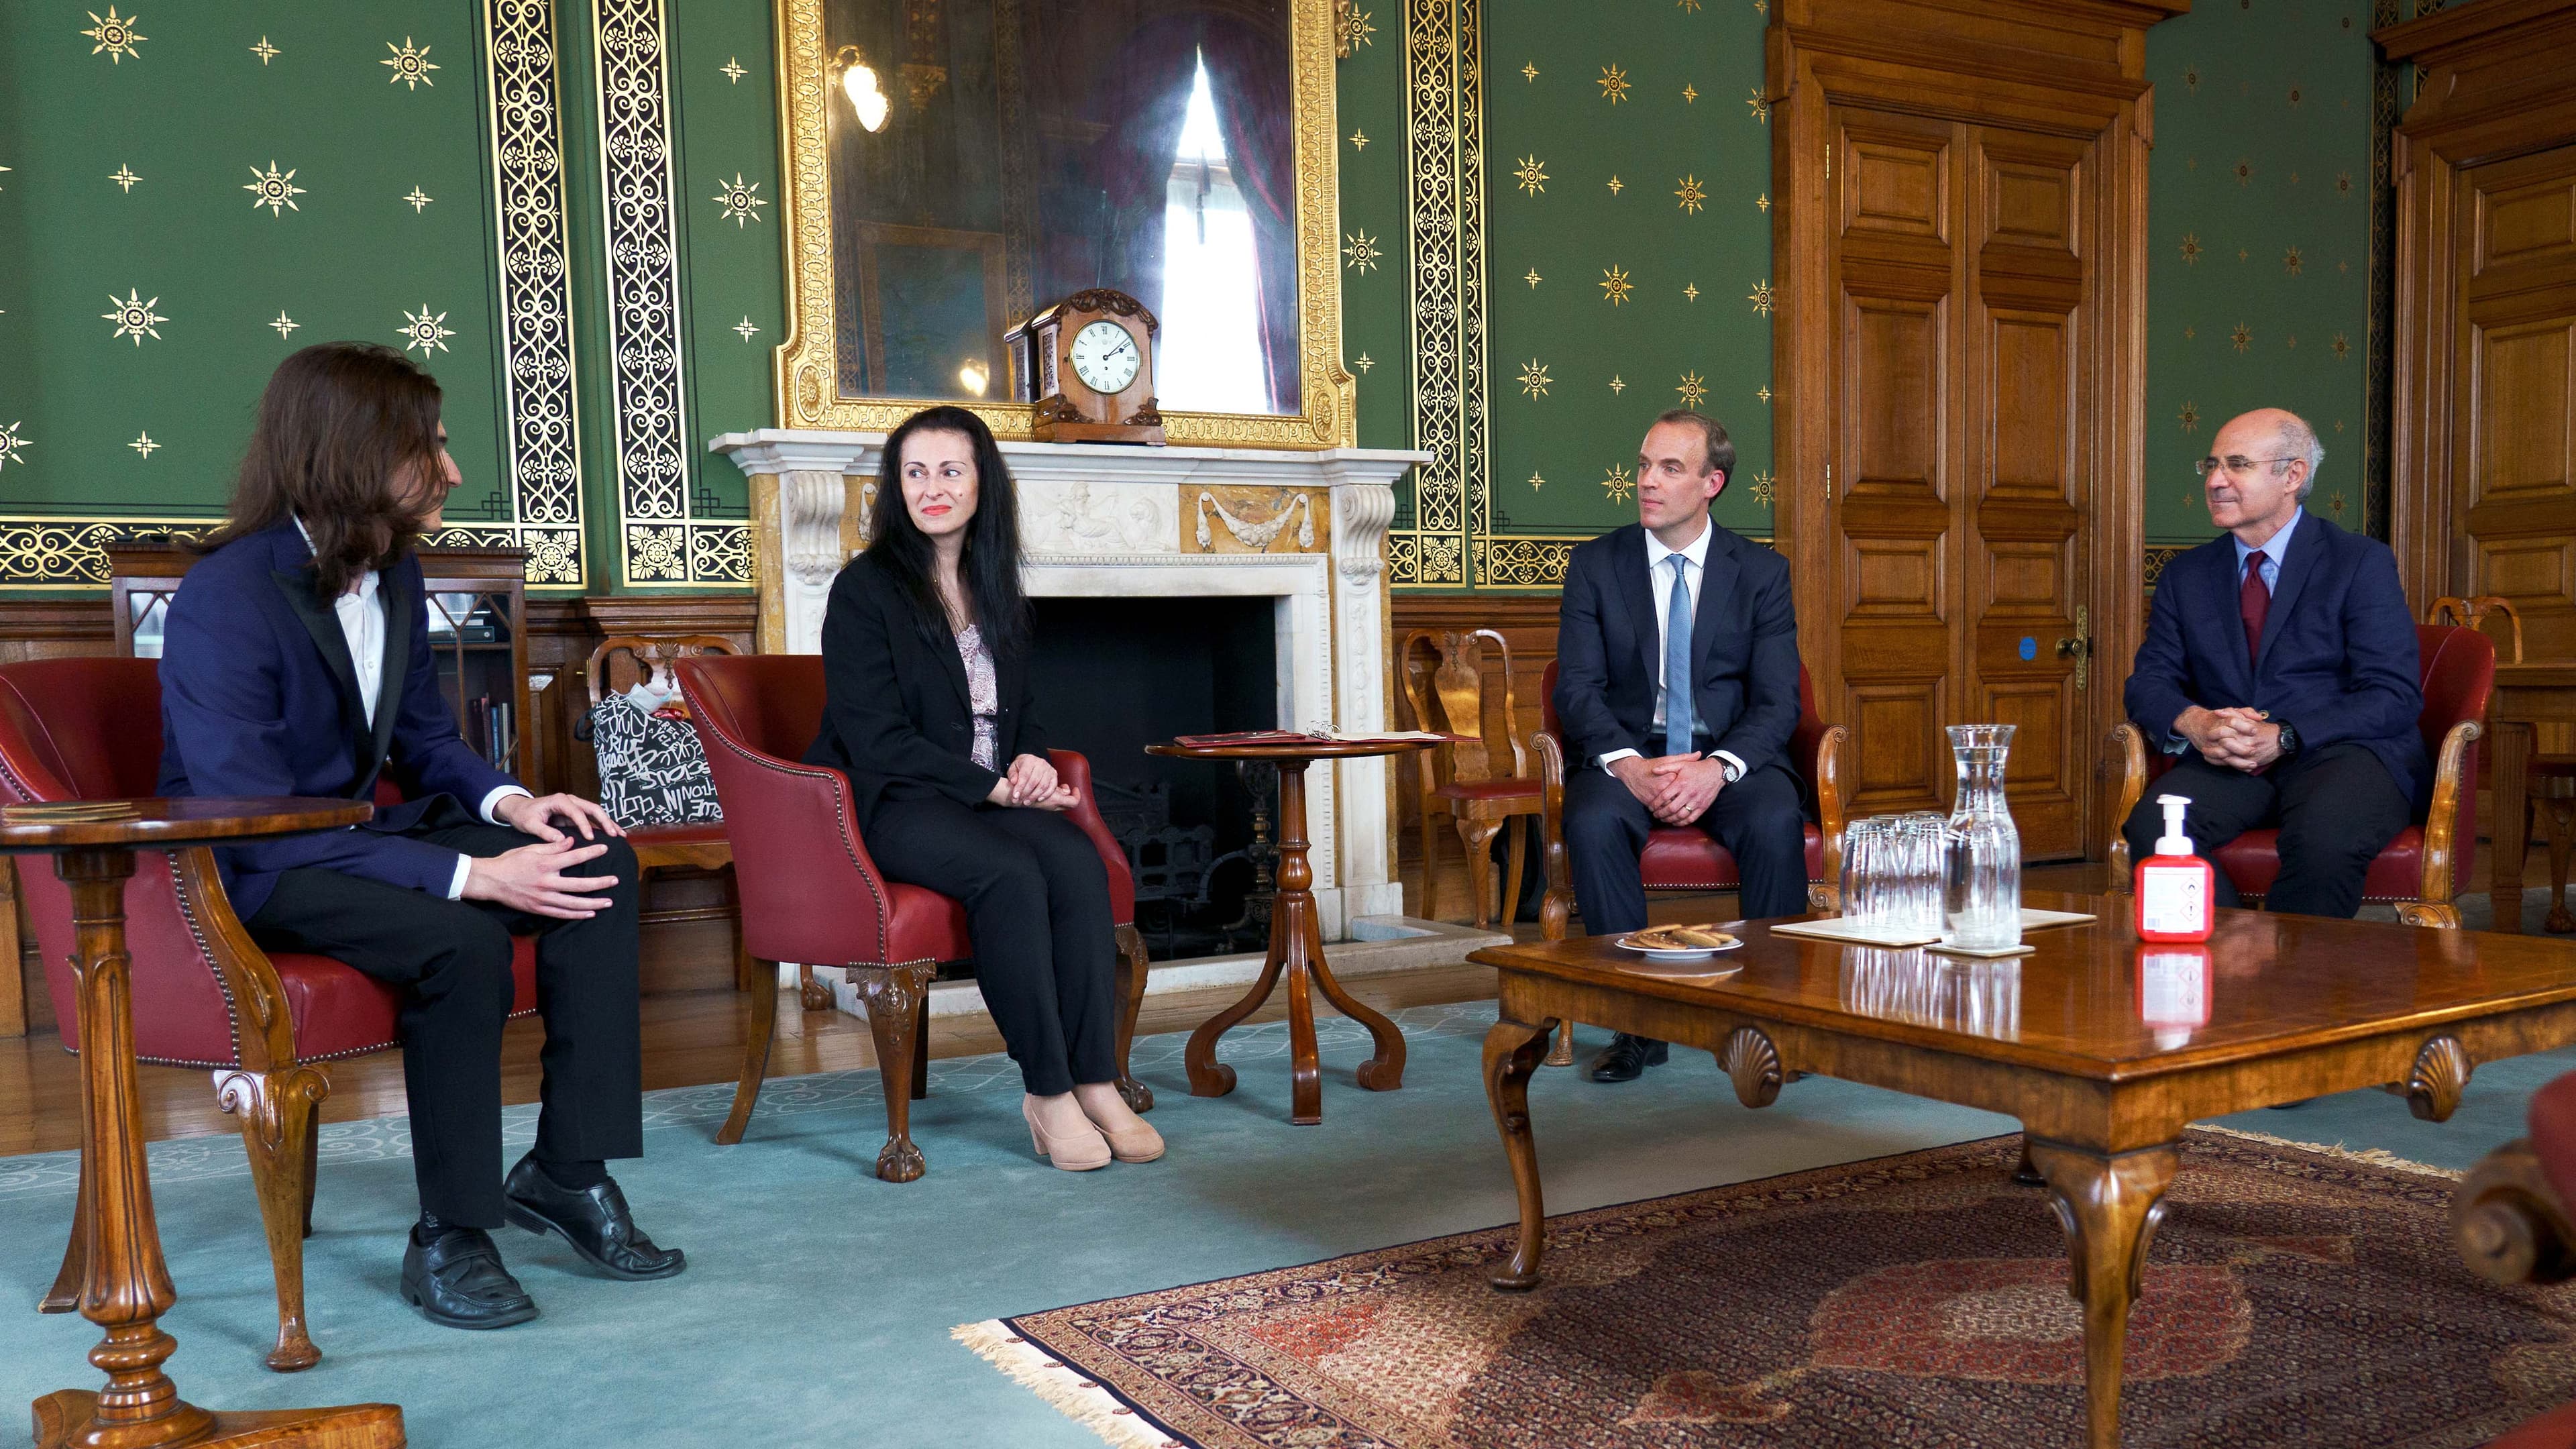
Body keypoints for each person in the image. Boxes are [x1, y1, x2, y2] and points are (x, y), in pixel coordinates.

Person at [158, 342, 683, 1331]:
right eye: (429, 448)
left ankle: (569, 1168)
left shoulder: (394, 573)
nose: (449, 470)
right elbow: (255, 819)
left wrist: (517, 809)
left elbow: (427, 741)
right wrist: (467, 880)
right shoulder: (226, 597)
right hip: (251, 865)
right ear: (356, 454)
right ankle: (450, 1233)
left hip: (349, 839)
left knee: (598, 858)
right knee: (460, 935)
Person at [804, 405, 1163, 1172]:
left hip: (981, 795)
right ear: (895, 487)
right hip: (893, 802)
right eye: (915, 472)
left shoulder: (995, 583)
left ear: (981, 484)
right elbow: (877, 740)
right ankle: (1047, 1091)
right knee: (1007, 871)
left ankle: (1096, 1078)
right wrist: (993, 789)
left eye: (950, 470)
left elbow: (1022, 713)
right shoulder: (863, 591)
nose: (932, 488)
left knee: (1074, 862)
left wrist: (1029, 762)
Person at [1553, 410, 1809, 1082]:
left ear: (1712, 483)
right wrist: (1631, 768)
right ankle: (1640, 1023)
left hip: (1725, 755)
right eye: (1643, 465)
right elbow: (1577, 691)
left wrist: (1718, 770)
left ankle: (1777, 1016)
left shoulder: (1761, 573)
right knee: (1591, 818)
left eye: (1669, 468)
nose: (1646, 482)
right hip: (1629, 755)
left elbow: (1779, 701)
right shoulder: (1595, 566)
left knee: (1775, 815)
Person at [2121, 407, 2425, 918]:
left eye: (2237, 465)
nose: (2216, 480)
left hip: (2341, 752)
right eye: (2211, 465)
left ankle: (2290, 990)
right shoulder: (2187, 575)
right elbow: (2149, 681)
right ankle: (2232, 959)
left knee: (2324, 839)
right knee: (2154, 824)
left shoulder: (2359, 562)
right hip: (2232, 758)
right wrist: (2196, 723)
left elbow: (2392, 694)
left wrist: (2285, 734)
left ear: (2293, 475)